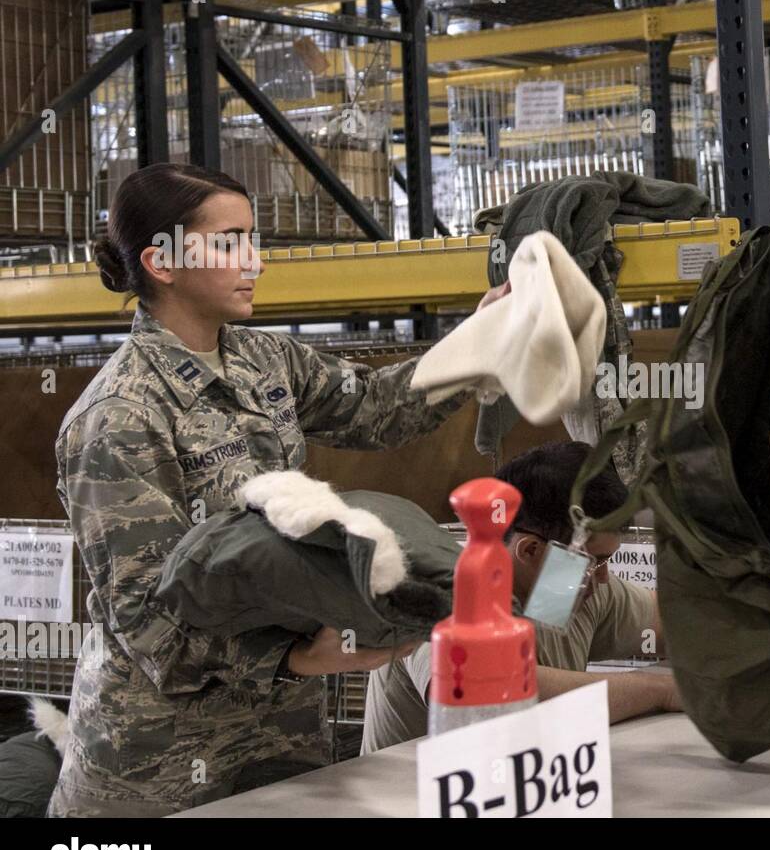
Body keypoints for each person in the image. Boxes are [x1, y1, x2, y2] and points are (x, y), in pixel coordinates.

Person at [50, 162, 506, 817]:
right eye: (231, 241)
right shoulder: (118, 416)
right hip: (162, 764)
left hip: (282, 741)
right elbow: (148, 625)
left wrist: (482, 338)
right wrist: (295, 658)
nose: (255, 261)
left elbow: (379, 408)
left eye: (253, 239)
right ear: (163, 261)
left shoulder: (266, 360)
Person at [363, 441, 680, 753]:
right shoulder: (440, 588)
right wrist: (659, 689)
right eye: (593, 561)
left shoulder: (562, 591)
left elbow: (673, 620)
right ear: (530, 549)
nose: (603, 577)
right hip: (413, 800)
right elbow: (486, 695)